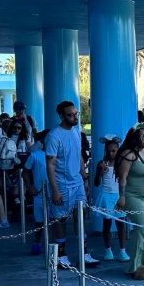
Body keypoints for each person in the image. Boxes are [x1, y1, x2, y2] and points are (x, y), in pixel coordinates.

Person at [46, 101, 100, 268]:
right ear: (61, 116)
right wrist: (55, 190)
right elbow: (50, 164)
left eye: (76, 114)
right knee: (60, 219)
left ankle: (84, 253)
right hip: (61, 184)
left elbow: (79, 156)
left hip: (77, 183)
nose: (75, 117)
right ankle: (61, 255)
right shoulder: (54, 135)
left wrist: (84, 178)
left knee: (80, 217)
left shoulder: (76, 132)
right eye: (71, 115)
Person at [114, 124, 144, 278]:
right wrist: (122, 196)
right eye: (142, 136)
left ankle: (137, 266)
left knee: (141, 232)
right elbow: (123, 177)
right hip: (133, 197)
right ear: (135, 137)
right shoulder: (128, 154)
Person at [94, 136, 128, 262]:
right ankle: (108, 250)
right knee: (107, 224)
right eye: (108, 151)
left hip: (118, 196)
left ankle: (122, 251)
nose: (111, 153)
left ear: (118, 150)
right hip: (106, 196)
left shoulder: (122, 164)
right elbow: (96, 183)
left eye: (114, 151)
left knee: (121, 224)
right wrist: (99, 172)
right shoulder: (102, 164)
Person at [22, 129, 50, 256]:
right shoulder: (36, 155)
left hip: (56, 193)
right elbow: (25, 171)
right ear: (43, 140)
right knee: (39, 220)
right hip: (39, 193)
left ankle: (56, 246)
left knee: (56, 221)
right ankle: (37, 242)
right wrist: (30, 186)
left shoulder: (59, 154)